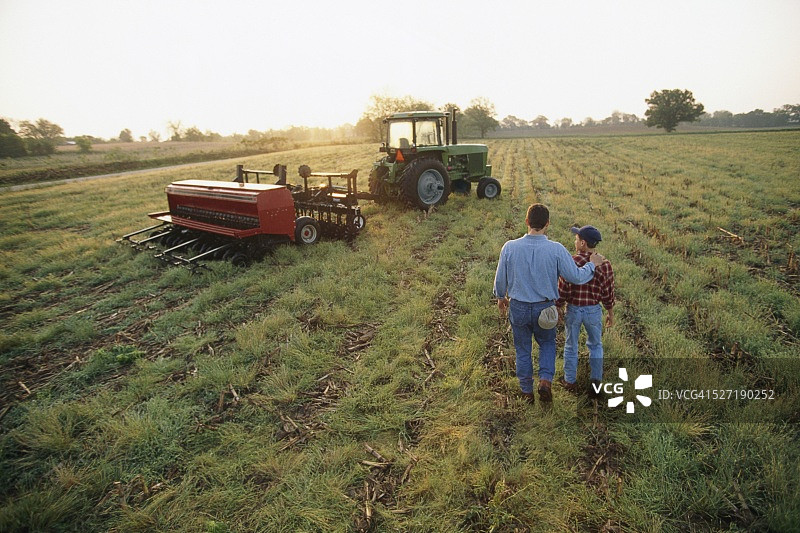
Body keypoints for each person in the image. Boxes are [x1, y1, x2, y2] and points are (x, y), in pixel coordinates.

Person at [493, 204, 605, 404]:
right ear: (547, 224)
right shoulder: (556, 249)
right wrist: (592, 265)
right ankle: (545, 381)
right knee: (546, 344)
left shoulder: (509, 247)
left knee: (523, 349)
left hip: (518, 306)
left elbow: (500, 279)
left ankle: (526, 392)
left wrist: (501, 297)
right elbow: (576, 277)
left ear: (527, 222)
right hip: (545, 308)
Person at [556, 225, 615, 397]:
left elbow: (564, 288)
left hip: (574, 309)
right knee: (596, 345)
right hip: (593, 310)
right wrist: (610, 312)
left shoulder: (572, 262)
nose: (574, 242)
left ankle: (569, 381)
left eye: (576, 239)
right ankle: (596, 382)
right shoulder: (604, 264)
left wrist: (558, 305)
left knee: (570, 345)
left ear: (583, 243)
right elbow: (607, 291)